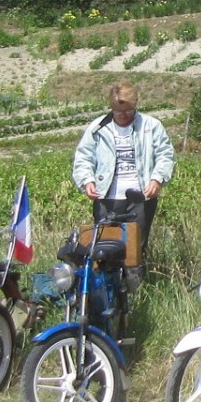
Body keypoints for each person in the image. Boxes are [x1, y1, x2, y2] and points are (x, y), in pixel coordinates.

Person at [72, 82, 175, 277]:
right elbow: (83, 157)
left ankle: (134, 287)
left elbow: (165, 155)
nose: (123, 115)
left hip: (140, 198)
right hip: (107, 197)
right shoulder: (98, 128)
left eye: (128, 110)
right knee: (104, 246)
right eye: (118, 111)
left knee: (136, 248)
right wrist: (87, 181)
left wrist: (157, 179)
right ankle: (107, 288)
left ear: (135, 105)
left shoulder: (151, 126)